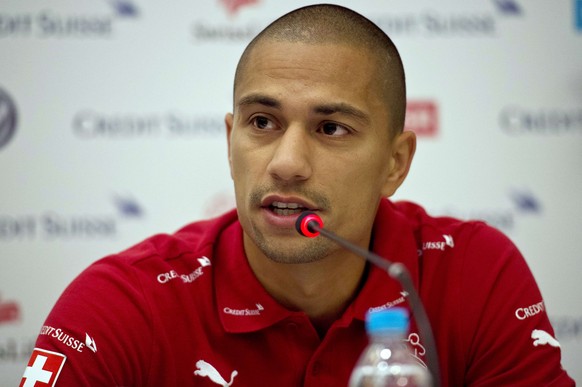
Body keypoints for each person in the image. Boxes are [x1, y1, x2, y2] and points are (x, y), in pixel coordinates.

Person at [21, 4, 574, 386]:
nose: (286, 164)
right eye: (262, 121)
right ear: (230, 139)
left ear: (395, 163)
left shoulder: (476, 271)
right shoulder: (126, 302)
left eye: (331, 128)